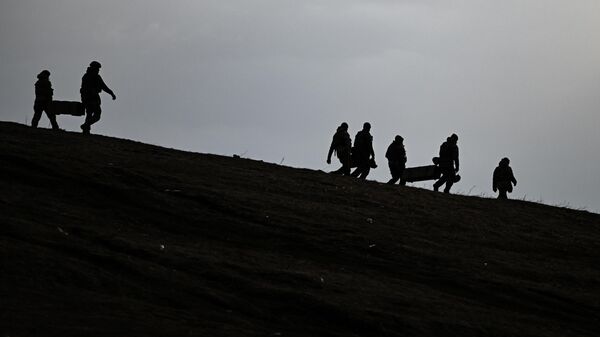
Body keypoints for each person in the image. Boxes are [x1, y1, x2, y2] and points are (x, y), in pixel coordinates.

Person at [80, 61, 116, 134]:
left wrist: (111, 93)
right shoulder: (88, 76)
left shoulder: (94, 76)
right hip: (90, 98)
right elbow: (86, 89)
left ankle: (86, 127)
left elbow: (103, 86)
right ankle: (86, 127)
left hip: (92, 98)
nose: (98, 70)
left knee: (92, 114)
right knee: (94, 114)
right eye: (97, 69)